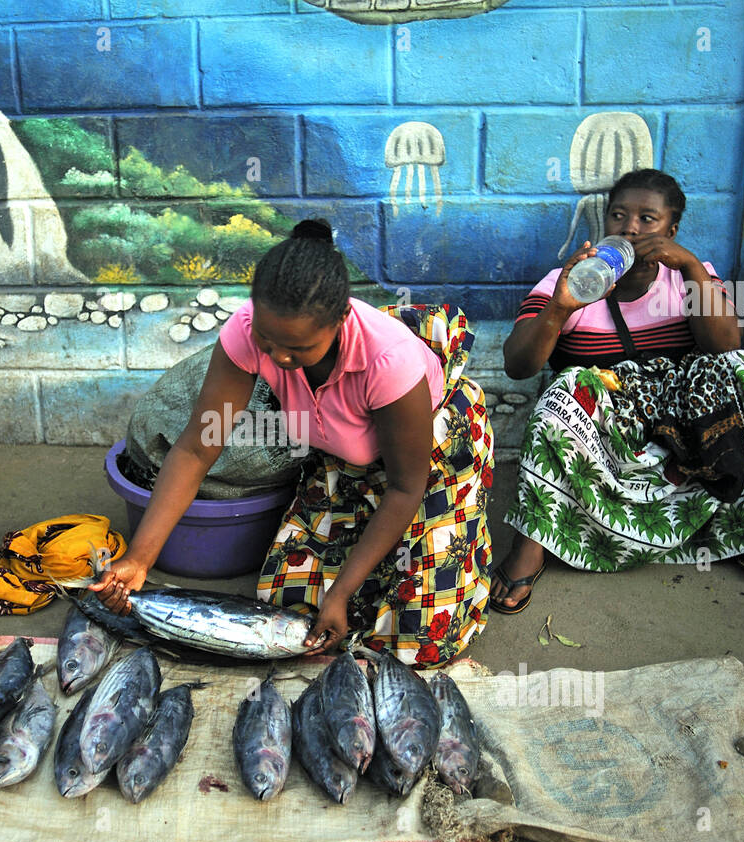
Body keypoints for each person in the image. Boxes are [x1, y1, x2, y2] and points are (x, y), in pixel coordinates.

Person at [91, 219, 495, 667]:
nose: (279, 358)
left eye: (297, 349)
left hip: (430, 456)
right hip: (343, 455)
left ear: (341, 320)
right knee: (286, 608)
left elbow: (404, 489)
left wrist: (340, 592)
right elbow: (196, 448)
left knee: (419, 640)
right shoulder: (247, 332)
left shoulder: (388, 361)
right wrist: (140, 559)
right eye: (267, 340)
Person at [491, 169, 744, 613]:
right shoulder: (569, 279)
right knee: (566, 386)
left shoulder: (694, 276)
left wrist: (688, 266)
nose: (630, 227)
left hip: (687, 415)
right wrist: (561, 305)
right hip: (607, 424)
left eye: (648, 219)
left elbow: (726, 347)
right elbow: (518, 366)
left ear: (671, 230)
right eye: (618, 215)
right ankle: (530, 548)